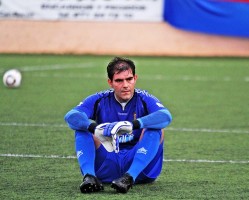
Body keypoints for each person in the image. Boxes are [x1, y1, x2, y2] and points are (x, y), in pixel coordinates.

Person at [64, 57, 172, 194]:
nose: (125, 85)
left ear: (135, 78)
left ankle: (128, 178)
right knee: (81, 129)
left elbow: (165, 116)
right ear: (110, 82)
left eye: (129, 79)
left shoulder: (144, 98)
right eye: (119, 80)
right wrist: (94, 128)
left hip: (140, 168)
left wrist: (133, 124)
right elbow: (71, 116)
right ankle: (90, 176)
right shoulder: (99, 99)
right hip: (107, 163)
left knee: (156, 129)